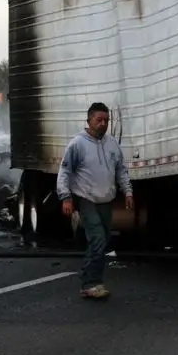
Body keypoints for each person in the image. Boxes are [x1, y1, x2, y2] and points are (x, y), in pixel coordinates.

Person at [56, 102, 133, 300]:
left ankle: (89, 276)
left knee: (102, 240)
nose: (103, 124)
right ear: (88, 120)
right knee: (97, 238)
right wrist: (65, 197)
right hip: (86, 198)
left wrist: (128, 192)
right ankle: (91, 283)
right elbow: (64, 171)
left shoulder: (112, 144)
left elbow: (121, 170)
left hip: (105, 199)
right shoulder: (77, 144)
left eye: (106, 120)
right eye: (98, 120)